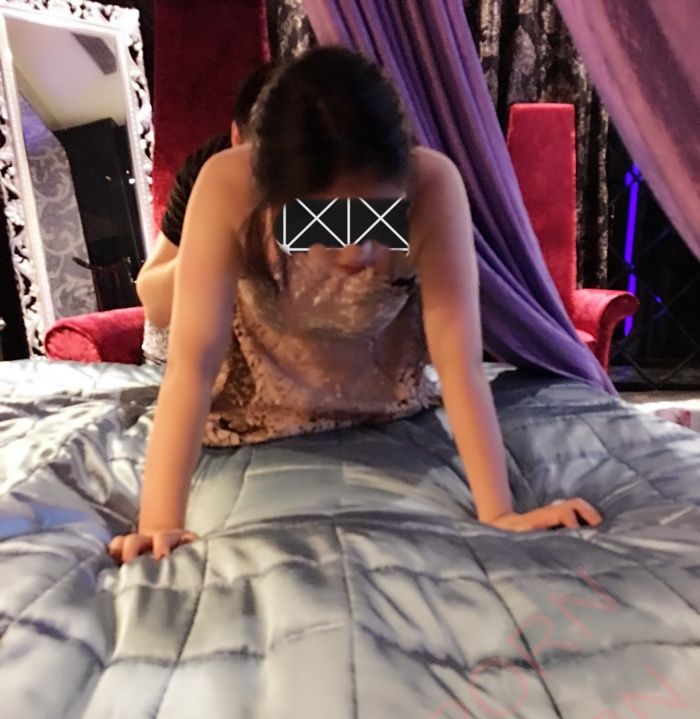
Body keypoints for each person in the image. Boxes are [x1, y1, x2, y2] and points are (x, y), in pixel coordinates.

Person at [108, 47, 602, 564]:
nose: (356, 253)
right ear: (270, 196)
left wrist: (498, 513)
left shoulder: (433, 184)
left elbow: (460, 364)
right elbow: (191, 367)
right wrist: (158, 526)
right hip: (245, 414)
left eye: (377, 220)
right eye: (324, 225)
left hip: (381, 400)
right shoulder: (227, 184)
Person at [137, 61, 277, 363]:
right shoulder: (210, 168)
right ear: (236, 136)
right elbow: (156, 304)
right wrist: (223, 241)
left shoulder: (350, 192)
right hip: (184, 352)